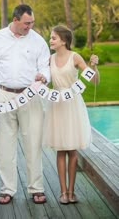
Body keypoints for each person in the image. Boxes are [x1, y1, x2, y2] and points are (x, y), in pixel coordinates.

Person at [0, 4, 50, 204]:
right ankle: (7, 189)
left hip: (30, 96)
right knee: (5, 145)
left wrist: (44, 76)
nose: (30, 26)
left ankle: (36, 188)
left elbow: (45, 66)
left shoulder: (38, 40)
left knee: (33, 143)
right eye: (26, 23)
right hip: (4, 96)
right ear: (15, 20)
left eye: (32, 22)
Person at [43, 25, 100, 204]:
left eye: (53, 38)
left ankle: (72, 191)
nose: (50, 40)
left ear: (64, 40)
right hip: (57, 104)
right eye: (51, 38)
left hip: (72, 104)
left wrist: (94, 66)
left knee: (72, 149)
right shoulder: (49, 59)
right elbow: (44, 81)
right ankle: (63, 192)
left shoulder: (74, 57)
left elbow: (94, 80)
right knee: (61, 149)